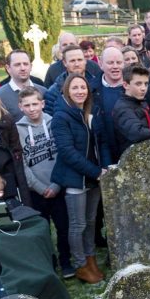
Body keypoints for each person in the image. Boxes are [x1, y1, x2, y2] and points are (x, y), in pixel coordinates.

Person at [51, 74, 113, 285]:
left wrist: (104, 167)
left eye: (83, 87)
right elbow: (67, 152)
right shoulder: (61, 117)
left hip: (95, 176)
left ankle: (91, 259)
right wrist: (95, 172)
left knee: (90, 222)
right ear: (67, 91)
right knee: (77, 225)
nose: (80, 91)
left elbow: (102, 142)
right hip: (76, 178)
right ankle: (79, 264)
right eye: (75, 88)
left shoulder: (91, 112)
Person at [16, 87, 73, 278]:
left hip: (58, 185)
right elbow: (22, 165)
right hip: (36, 191)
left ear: (42, 104)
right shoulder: (18, 130)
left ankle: (66, 261)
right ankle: (50, 262)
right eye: (27, 105)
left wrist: (56, 184)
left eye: (35, 104)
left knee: (64, 227)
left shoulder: (55, 122)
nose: (32, 109)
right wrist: (40, 188)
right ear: (21, 107)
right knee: (42, 230)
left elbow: (64, 155)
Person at [112, 65, 150, 158]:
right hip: (132, 161)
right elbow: (136, 133)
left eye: (146, 84)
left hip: (147, 156)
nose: (143, 88)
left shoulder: (142, 102)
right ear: (126, 85)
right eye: (138, 84)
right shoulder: (122, 108)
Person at [0, 50, 47, 121]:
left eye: (25, 64)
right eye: (17, 65)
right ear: (8, 68)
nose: (23, 68)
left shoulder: (43, 91)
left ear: (31, 66)